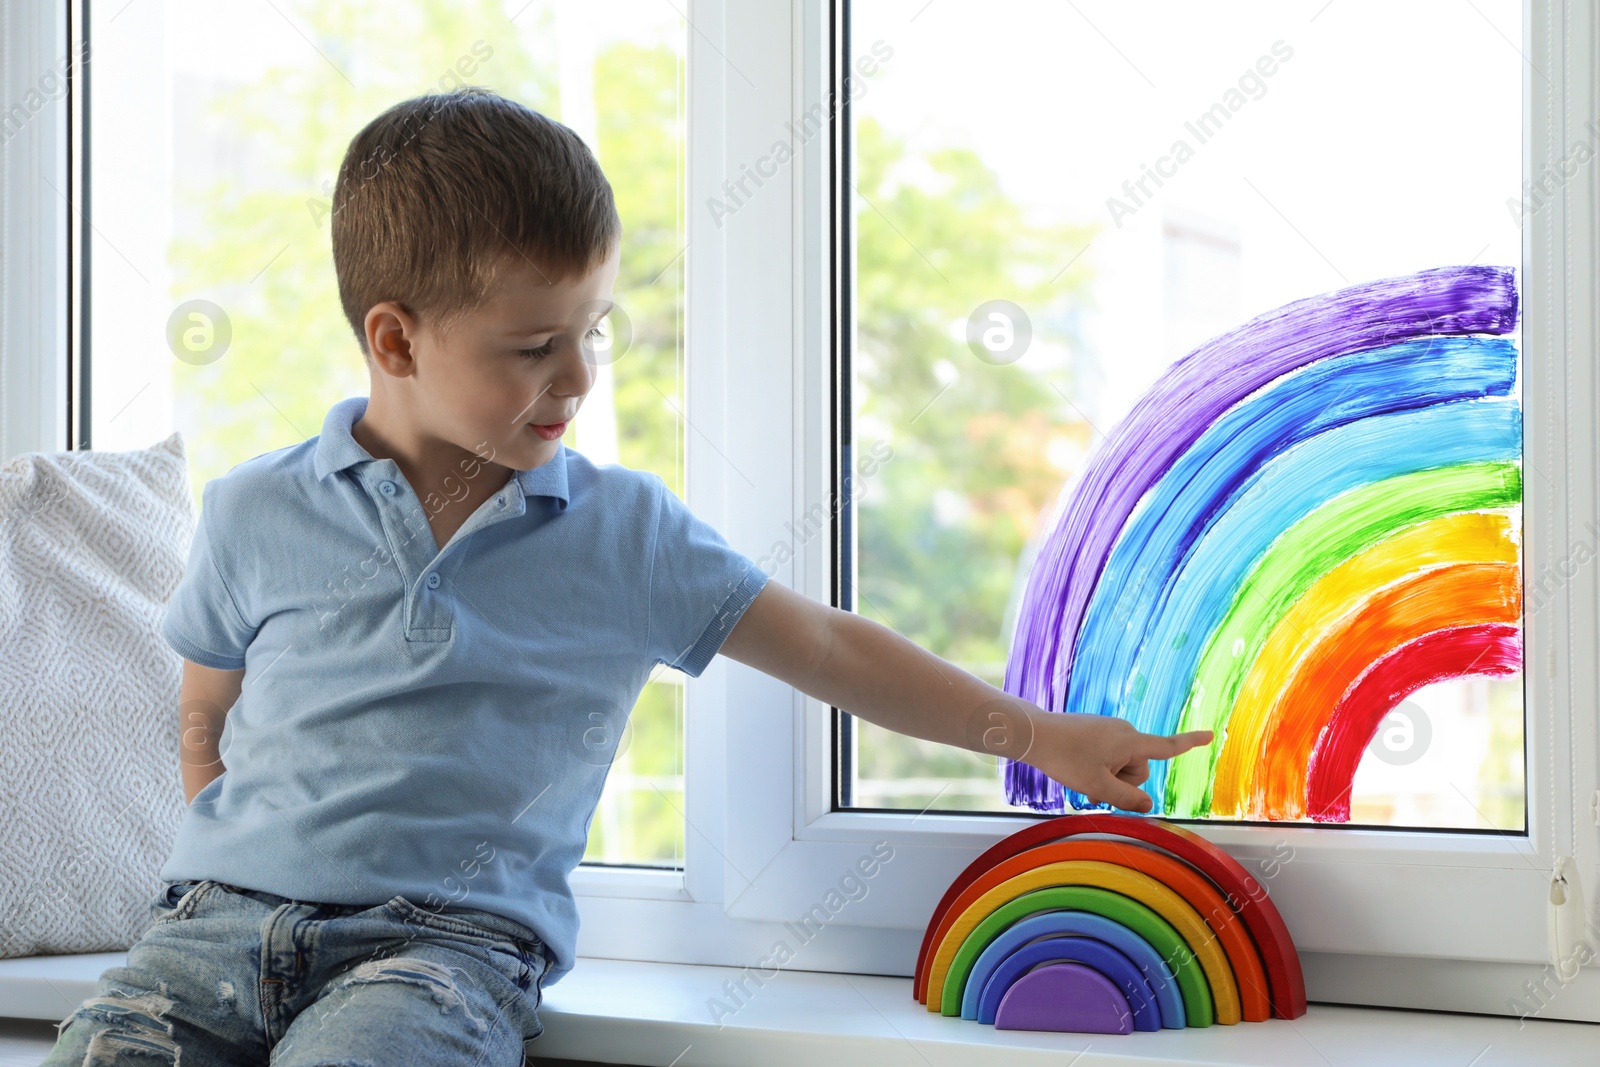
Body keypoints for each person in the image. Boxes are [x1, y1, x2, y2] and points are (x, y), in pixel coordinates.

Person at [42, 87, 1211, 1066]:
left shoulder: (624, 534)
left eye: (593, 330)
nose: (578, 375)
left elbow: (828, 647)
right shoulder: (257, 507)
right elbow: (208, 697)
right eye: (532, 346)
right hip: (211, 928)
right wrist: (221, 829)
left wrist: (1038, 731)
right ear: (395, 341)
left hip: (443, 949)